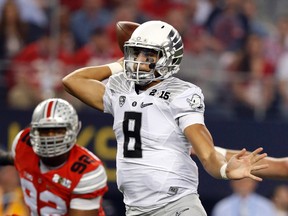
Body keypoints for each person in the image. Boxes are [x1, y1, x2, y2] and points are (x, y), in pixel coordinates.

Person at [62, 20, 269, 216]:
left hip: (176, 204)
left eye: (148, 55)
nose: (139, 60)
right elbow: (72, 81)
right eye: (136, 52)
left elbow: (206, 153)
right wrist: (118, 66)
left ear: (167, 58)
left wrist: (224, 169)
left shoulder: (183, 93)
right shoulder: (120, 86)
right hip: (136, 208)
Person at [0, 98, 108, 216]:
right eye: (44, 131)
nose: (50, 138)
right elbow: (18, 160)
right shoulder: (23, 144)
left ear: (73, 130)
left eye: (57, 130)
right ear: (34, 131)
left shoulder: (87, 170)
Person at [211, 178, 276, 216]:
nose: (243, 184)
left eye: (247, 181)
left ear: (254, 183)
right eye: (239, 180)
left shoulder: (266, 206)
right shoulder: (222, 207)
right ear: (232, 183)